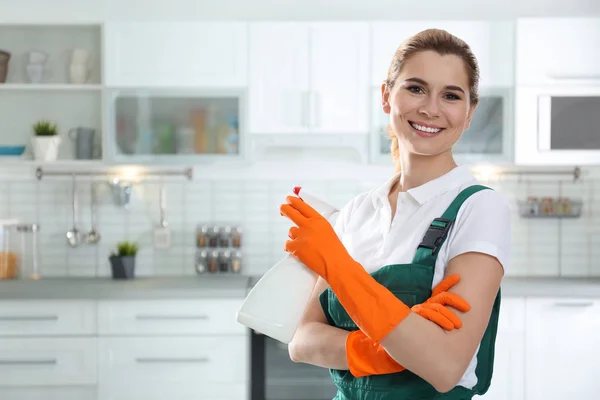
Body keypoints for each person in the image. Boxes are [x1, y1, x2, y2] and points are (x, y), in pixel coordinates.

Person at [279, 28, 511, 399]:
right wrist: (381, 349)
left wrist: (337, 265)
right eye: (415, 88)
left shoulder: (479, 208)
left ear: (469, 113)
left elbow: (445, 366)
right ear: (387, 96)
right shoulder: (357, 213)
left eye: (451, 95)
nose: (430, 108)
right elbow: (302, 341)